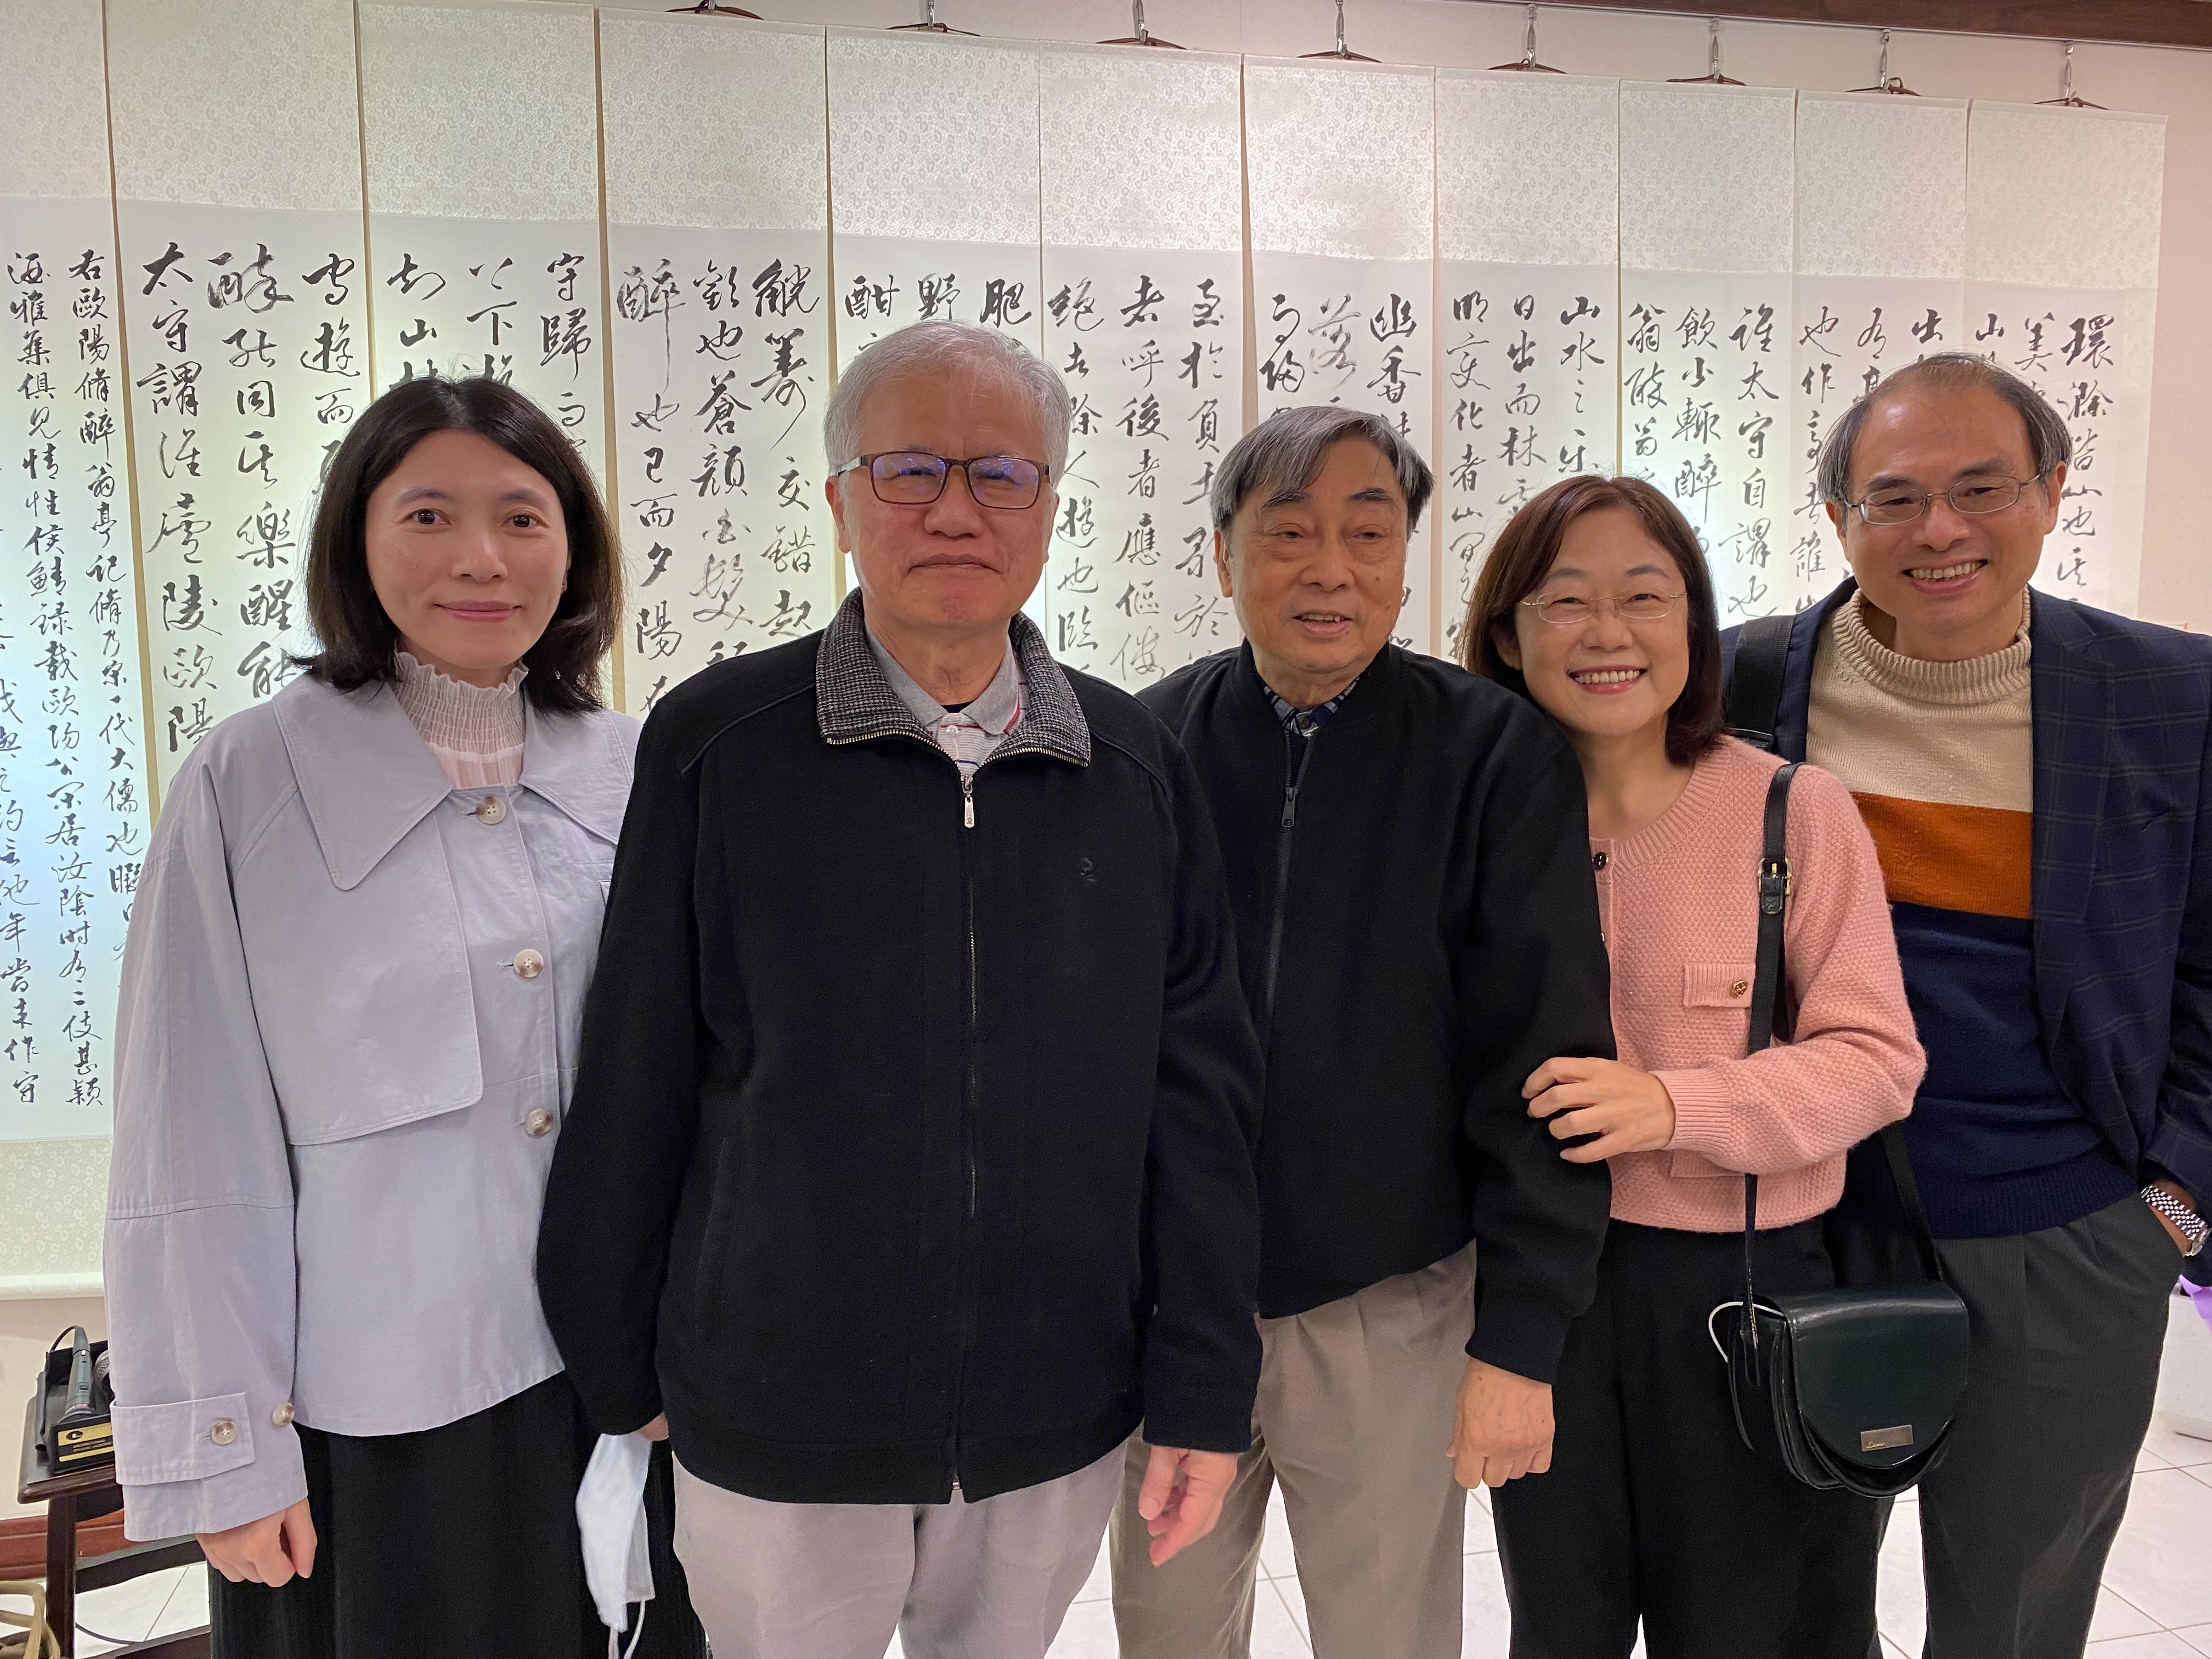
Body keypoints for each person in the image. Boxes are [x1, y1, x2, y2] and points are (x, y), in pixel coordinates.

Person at [535, 319, 1264, 1659]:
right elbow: (638, 1062)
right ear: (839, 502)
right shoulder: (722, 743)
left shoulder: (1129, 763)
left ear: (1050, 507)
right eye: (910, 469)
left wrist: (1206, 1384)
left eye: (1003, 475)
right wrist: (617, 1356)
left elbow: (1197, 1100)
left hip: (1052, 1403)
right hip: (778, 1406)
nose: (956, 510)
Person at [104, 377, 702, 1656]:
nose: (481, 558)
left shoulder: (645, 768)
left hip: (629, 1393)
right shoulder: (251, 778)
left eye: (522, 519)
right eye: (428, 515)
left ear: (574, 550)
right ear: (356, 541)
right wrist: (226, 1449)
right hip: (376, 1422)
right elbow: (189, 1132)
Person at [1723, 351, 2212, 1659]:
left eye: (1981, 488)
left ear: (2052, 490)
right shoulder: (1739, 689)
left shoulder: (2176, 698)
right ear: (1839, 518)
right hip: (1799, 1229)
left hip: (2069, 1238)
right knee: (1782, 1609)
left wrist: (2171, 1207)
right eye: (1894, 498)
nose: (1939, 530)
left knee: (2014, 1617)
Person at [1114, 407, 1616, 1659]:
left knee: (1386, 1633)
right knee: (1166, 1629)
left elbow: (1544, 1056)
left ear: (1405, 560)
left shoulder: (1492, 752)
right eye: (1287, 532)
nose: (1329, 569)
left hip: (1390, 1300)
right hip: (1172, 1297)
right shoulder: (1146, 747)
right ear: (1223, 555)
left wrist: (1521, 1337)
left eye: (1368, 533)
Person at [1460, 474, 1925, 1657]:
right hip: (1544, 1296)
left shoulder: (1790, 811)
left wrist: (1674, 1105)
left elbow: (1877, 1061)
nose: (1606, 633)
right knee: (1559, 1624)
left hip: (1746, 1293)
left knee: (1753, 1628)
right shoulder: (1479, 824)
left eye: (1644, 597)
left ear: (1694, 623)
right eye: (1566, 600)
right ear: (1508, 635)